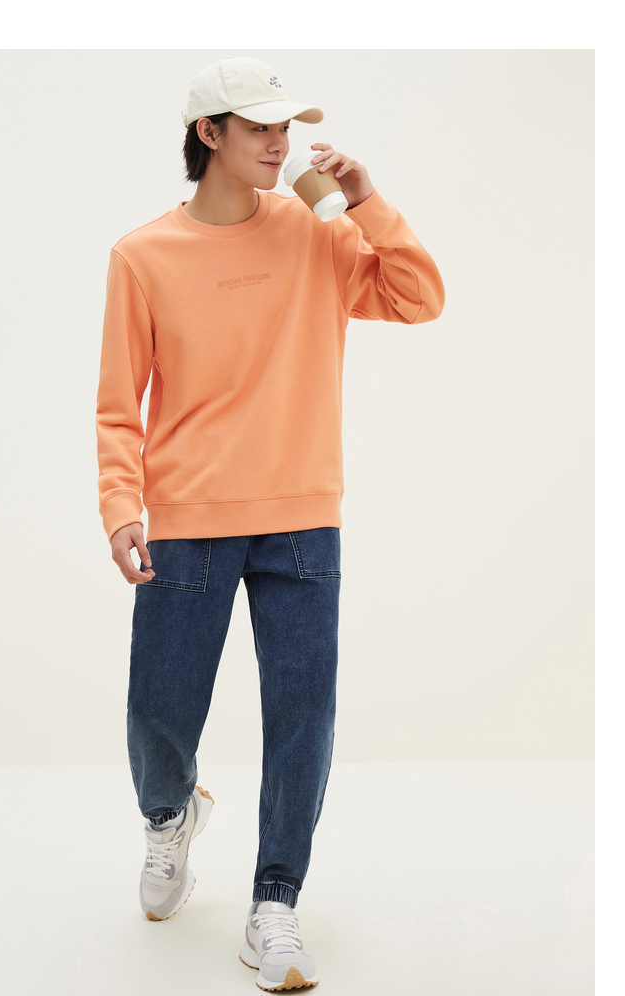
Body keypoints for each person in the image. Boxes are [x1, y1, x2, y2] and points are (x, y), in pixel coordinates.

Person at [96, 55, 445, 992]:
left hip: (302, 518)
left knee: (302, 717)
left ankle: (275, 902)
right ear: (208, 133)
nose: (279, 143)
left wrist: (367, 202)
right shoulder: (142, 255)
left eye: (285, 126)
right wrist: (121, 505)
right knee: (158, 711)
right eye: (258, 127)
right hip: (187, 519)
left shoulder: (316, 232)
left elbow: (419, 298)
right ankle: (170, 815)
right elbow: (118, 405)